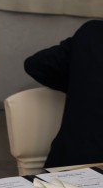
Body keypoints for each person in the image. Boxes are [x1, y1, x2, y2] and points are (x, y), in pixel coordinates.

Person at [24, 20, 103, 168]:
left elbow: (36, 65)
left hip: (64, 170)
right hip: (75, 173)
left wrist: (82, 85)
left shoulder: (92, 32)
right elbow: (36, 66)